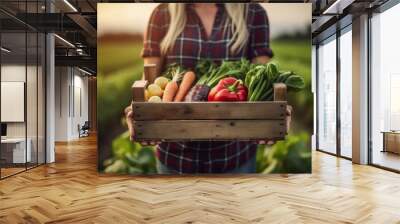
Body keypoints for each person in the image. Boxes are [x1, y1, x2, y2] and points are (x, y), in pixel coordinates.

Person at [125, 3, 291, 174]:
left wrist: (274, 112)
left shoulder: (253, 12)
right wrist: (139, 109)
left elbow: (262, 76)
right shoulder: (162, 13)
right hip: (175, 154)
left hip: (235, 154)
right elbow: (150, 78)